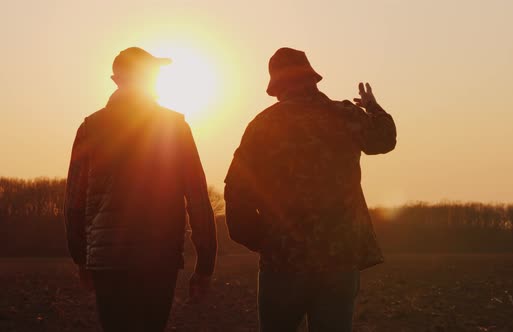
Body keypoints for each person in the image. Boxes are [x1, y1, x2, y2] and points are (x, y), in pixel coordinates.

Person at [224, 47, 397, 332]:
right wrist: (373, 107)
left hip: (282, 261)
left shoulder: (263, 125)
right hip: (339, 259)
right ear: (312, 79)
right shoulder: (344, 115)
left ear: (277, 87)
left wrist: (262, 240)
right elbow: (385, 140)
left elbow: (236, 192)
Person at [64, 47, 217, 332]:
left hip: (106, 260)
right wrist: (205, 264)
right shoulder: (174, 125)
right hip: (159, 257)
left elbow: (73, 203)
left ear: (116, 80)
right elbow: (197, 197)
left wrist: (82, 259)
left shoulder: (90, 127)